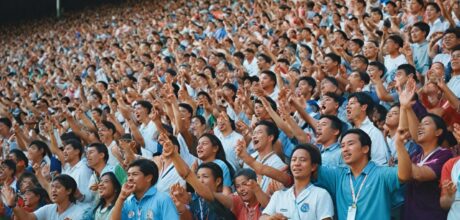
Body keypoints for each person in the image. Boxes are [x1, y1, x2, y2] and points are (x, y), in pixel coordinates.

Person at [314, 128, 412, 220]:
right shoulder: (337, 175)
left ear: (365, 149)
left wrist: (399, 144)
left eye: (350, 144)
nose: (345, 149)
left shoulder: (381, 173)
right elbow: (311, 168)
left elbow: (405, 175)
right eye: (342, 146)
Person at [261, 144, 334, 220]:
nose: (297, 163)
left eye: (302, 160)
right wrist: (270, 218)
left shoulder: (321, 194)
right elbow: (262, 217)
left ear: (313, 166)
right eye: (293, 160)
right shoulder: (278, 195)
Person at [111, 159, 179, 220]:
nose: (130, 178)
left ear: (148, 178)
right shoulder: (128, 202)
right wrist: (121, 197)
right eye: (128, 175)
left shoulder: (163, 199)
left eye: (135, 174)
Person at [3, 174, 89, 220]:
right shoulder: (49, 208)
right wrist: (13, 205)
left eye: (58, 187)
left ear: (69, 191)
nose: (53, 190)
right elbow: (27, 218)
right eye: (52, 187)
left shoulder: (80, 213)